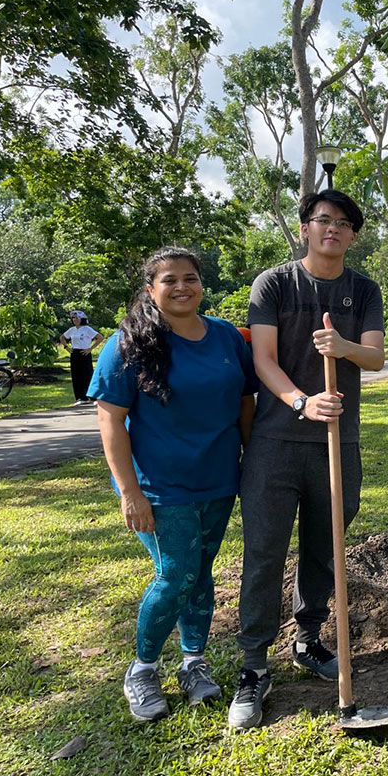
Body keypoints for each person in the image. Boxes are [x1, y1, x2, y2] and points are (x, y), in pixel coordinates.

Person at [229, 188, 385, 730]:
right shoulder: (274, 283)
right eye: (323, 220)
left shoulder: (363, 290)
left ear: (354, 235)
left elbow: (376, 356)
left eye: (343, 223)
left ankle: (310, 639)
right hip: (275, 444)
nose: (333, 229)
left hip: (338, 444)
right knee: (265, 553)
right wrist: (301, 400)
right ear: (305, 228)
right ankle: (252, 668)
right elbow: (263, 359)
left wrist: (343, 348)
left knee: (326, 546)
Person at [89, 247, 257, 722]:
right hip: (160, 487)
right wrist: (130, 493)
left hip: (219, 480)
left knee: (200, 575)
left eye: (190, 278)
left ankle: (193, 662)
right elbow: (110, 422)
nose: (181, 287)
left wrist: (251, 464)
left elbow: (245, 401)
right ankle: (142, 670)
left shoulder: (226, 336)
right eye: (169, 280)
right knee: (176, 575)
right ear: (151, 289)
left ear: (202, 284)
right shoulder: (129, 343)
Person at [61, 310, 102, 404]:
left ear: (81, 318)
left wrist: (90, 349)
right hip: (75, 353)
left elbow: (100, 337)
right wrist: (67, 347)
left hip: (85, 353)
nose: (75, 319)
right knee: (76, 375)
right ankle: (81, 397)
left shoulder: (87, 329)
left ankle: (93, 397)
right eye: (73, 318)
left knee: (87, 374)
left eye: (77, 317)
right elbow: (62, 337)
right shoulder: (72, 329)